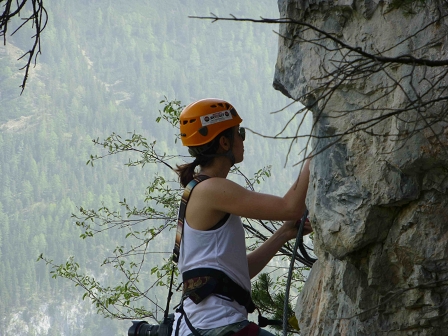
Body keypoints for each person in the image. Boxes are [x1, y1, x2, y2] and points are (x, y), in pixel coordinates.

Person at [172, 98, 311, 336]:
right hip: (217, 326)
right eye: (240, 133)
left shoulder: (200, 189)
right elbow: (290, 207)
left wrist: (283, 234)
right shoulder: (213, 190)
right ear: (224, 142)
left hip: (201, 326)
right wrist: (317, 152)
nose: (243, 140)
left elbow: (238, 271)